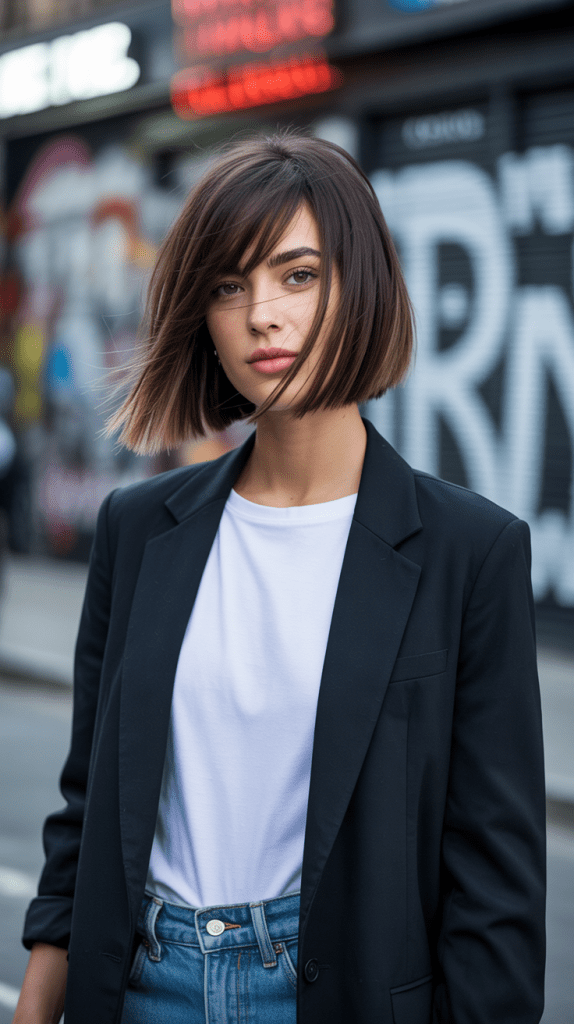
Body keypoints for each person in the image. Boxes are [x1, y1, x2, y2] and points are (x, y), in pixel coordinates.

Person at [14, 130, 546, 1024]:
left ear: (361, 284)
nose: (262, 313)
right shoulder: (138, 530)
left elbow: (494, 890)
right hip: (145, 986)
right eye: (229, 286)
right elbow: (87, 813)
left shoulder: (471, 552)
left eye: (297, 275)